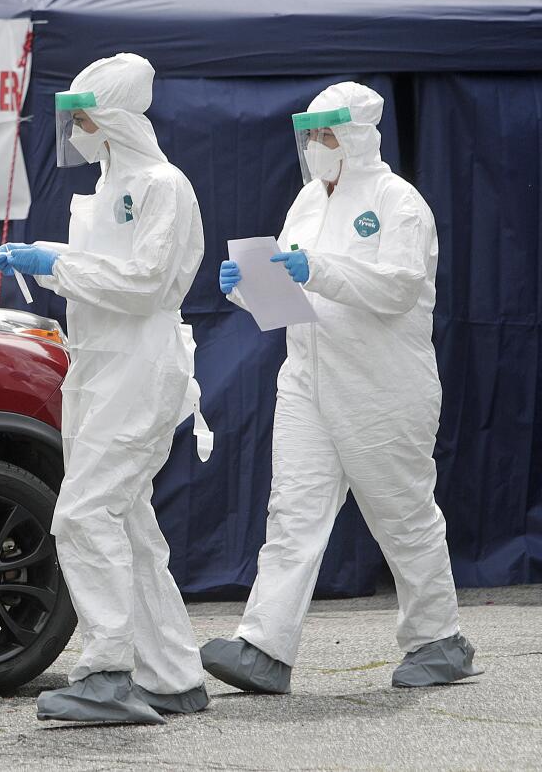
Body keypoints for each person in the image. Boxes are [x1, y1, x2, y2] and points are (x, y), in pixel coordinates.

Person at [204, 81, 482, 693]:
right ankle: (264, 647)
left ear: (356, 136)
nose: (316, 145)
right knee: (292, 515)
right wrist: (248, 286)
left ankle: (439, 639)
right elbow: (289, 301)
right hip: (307, 378)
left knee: (402, 515)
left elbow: (398, 289)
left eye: (327, 134)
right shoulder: (306, 201)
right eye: (312, 134)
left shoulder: (397, 202)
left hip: (384, 386)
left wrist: (318, 270)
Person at [0, 53, 213, 725]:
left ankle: (108, 670)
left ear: (110, 117)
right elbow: (107, 270)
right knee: (131, 526)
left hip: (140, 369)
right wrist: (56, 264)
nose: (75, 129)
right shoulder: (111, 187)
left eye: (82, 116)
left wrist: (55, 263)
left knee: (84, 515)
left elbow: (145, 283)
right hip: (100, 367)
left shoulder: (162, 185)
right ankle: (172, 673)